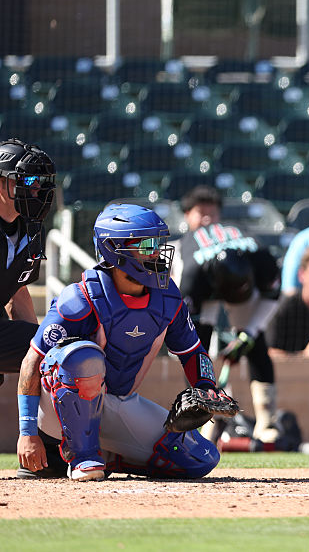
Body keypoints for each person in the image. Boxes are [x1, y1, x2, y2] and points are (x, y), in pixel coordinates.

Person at [16, 203, 234, 481]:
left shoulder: (168, 297)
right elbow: (32, 361)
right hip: (58, 409)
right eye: (146, 245)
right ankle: (82, 456)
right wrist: (27, 432)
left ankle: (107, 456)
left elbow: (193, 352)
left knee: (200, 458)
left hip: (119, 401)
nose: (156, 252)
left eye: (157, 244)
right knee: (81, 356)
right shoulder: (80, 298)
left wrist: (207, 389)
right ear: (114, 249)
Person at [172, 185, 283, 445]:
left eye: (212, 212)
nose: (207, 219)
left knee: (255, 345)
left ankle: (267, 421)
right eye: (201, 213)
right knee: (195, 350)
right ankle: (205, 414)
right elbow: (183, 335)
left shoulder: (261, 257)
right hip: (203, 290)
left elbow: (273, 296)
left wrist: (249, 333)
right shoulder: (190, 271)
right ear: (187, 215)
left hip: (244, 285)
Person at [0, 138, 56, 382]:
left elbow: (18, 292)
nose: (36, 190)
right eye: (28, 180)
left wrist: (40, 351)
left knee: (57, 349)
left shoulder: (30, 229)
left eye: (39, 182)